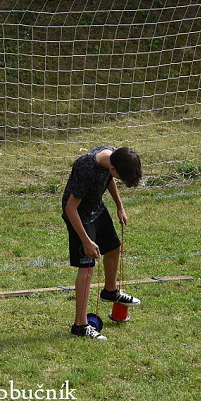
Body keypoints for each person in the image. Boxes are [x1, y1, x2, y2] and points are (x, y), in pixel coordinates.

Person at [62, 145, 142, 340]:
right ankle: (80, 325)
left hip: (96, 208)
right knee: (87, 268)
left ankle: (110, 291)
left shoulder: (112, 156)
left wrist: (120, 206)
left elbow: (109, 180)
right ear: (113, 168)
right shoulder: (86, 167)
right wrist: (86, 241)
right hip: (78, 215)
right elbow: (70, 208)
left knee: (114, 248)